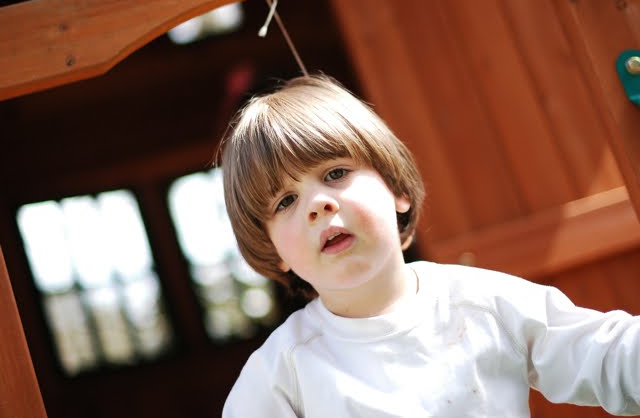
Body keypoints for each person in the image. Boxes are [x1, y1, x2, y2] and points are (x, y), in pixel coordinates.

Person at [220, 74, 640, 417]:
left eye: (335, 174)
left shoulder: (481, 303)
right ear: (272, 250)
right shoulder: (280, 376)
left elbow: (609, 357)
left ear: (396, 188)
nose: (318, 204)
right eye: (286, 201)